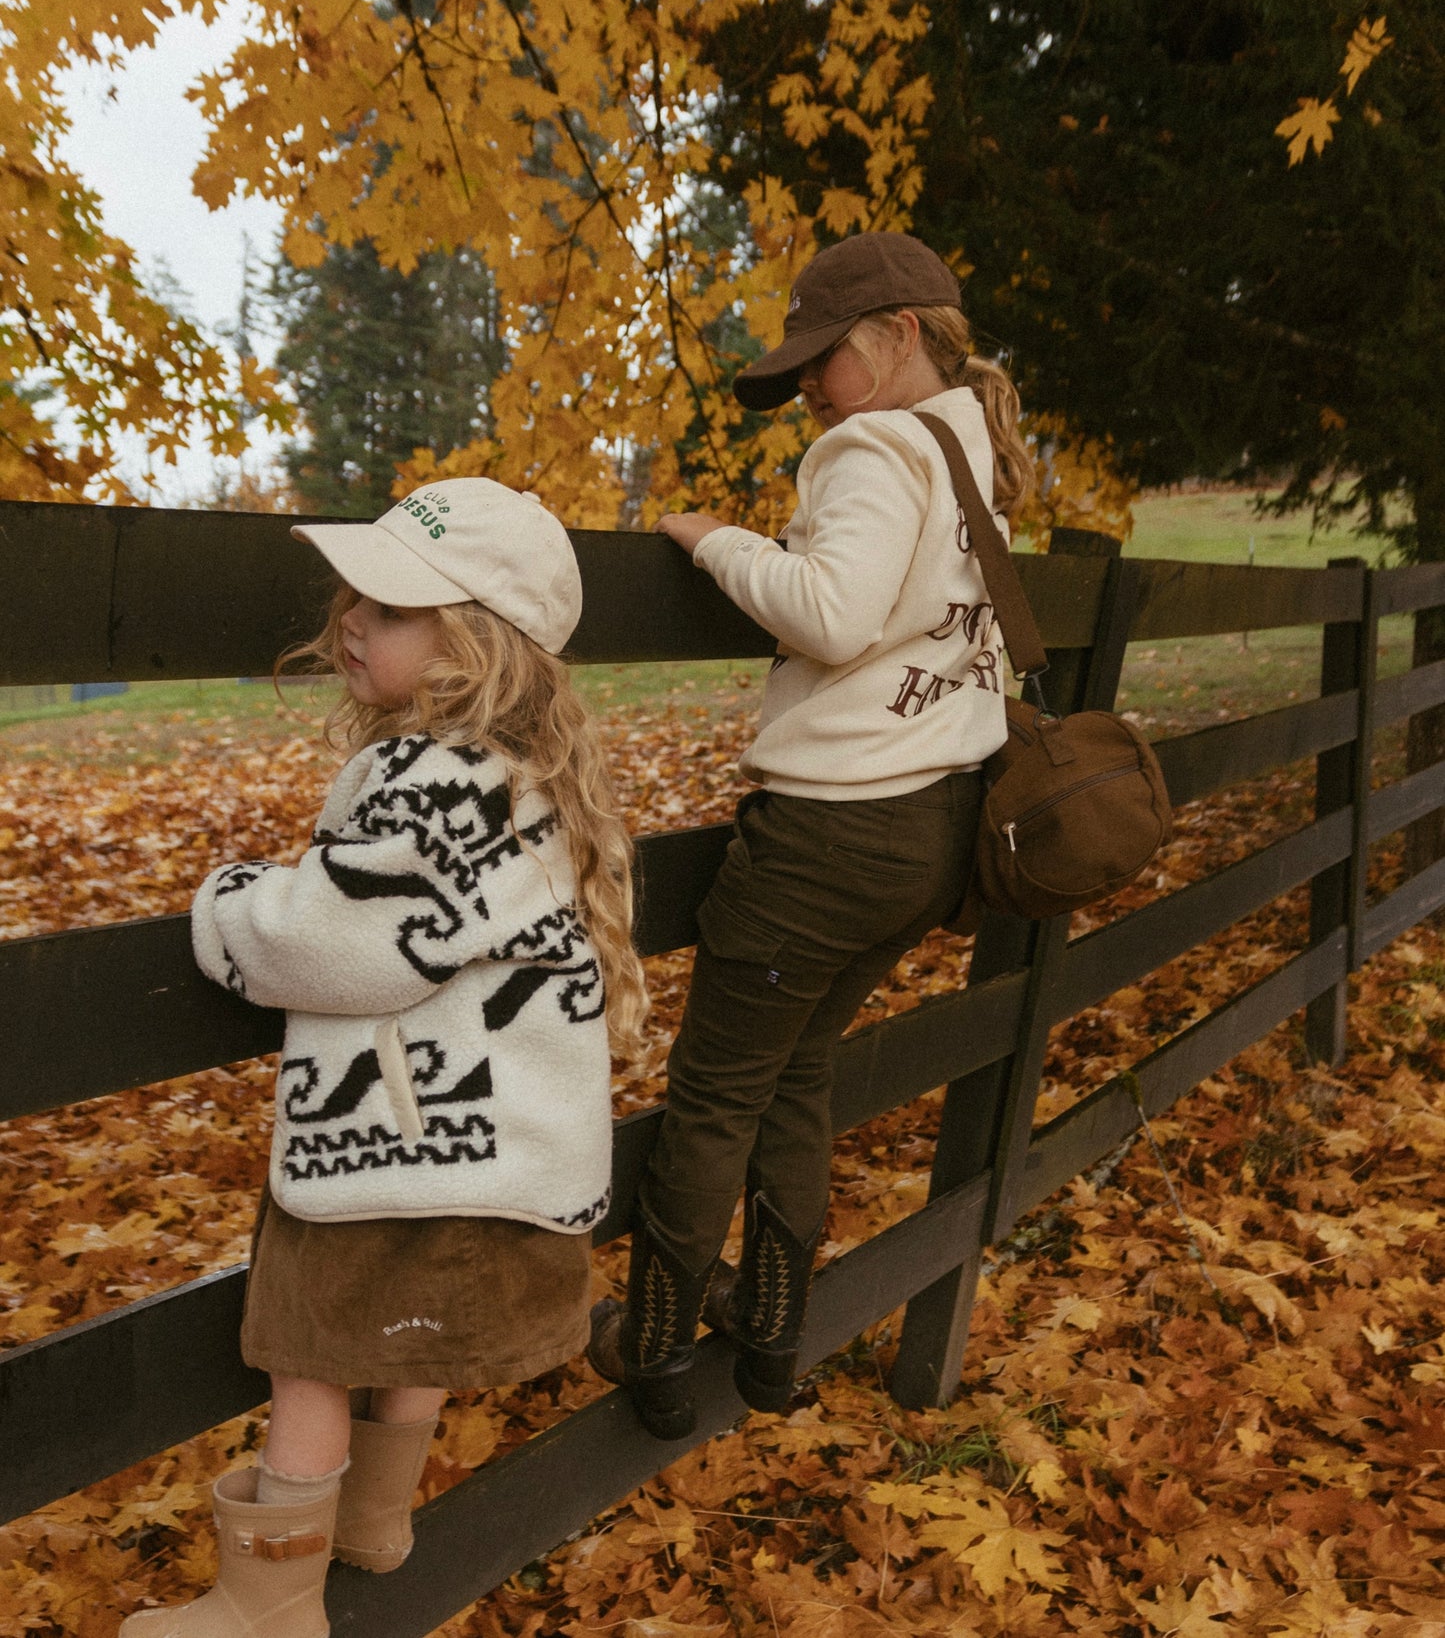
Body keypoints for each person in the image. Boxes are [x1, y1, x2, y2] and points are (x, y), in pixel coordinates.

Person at [122, 479, 646, 1636]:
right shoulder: (527, 775)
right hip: (491, 1151)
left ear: (479, 646)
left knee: (311, 1358)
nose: (352, 620)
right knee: (410, 1343)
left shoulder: (433, 776)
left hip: (398, 1149)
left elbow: (346, 942)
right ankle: (371, 1526)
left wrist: (231, 903)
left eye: (393, 608)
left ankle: (267, 1609)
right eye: (354, 596)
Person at [587, 230, 1033, 1439]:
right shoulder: (968, 450)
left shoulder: (876, 444)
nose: (807, 397)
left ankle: (658, 1353)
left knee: (714, 1092)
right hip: (933, 831)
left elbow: (832, 616)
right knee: (795, 1076)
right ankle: (775, 1338)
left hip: (830, 839)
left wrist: (708, 537)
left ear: (892, 339)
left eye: (820, 363)